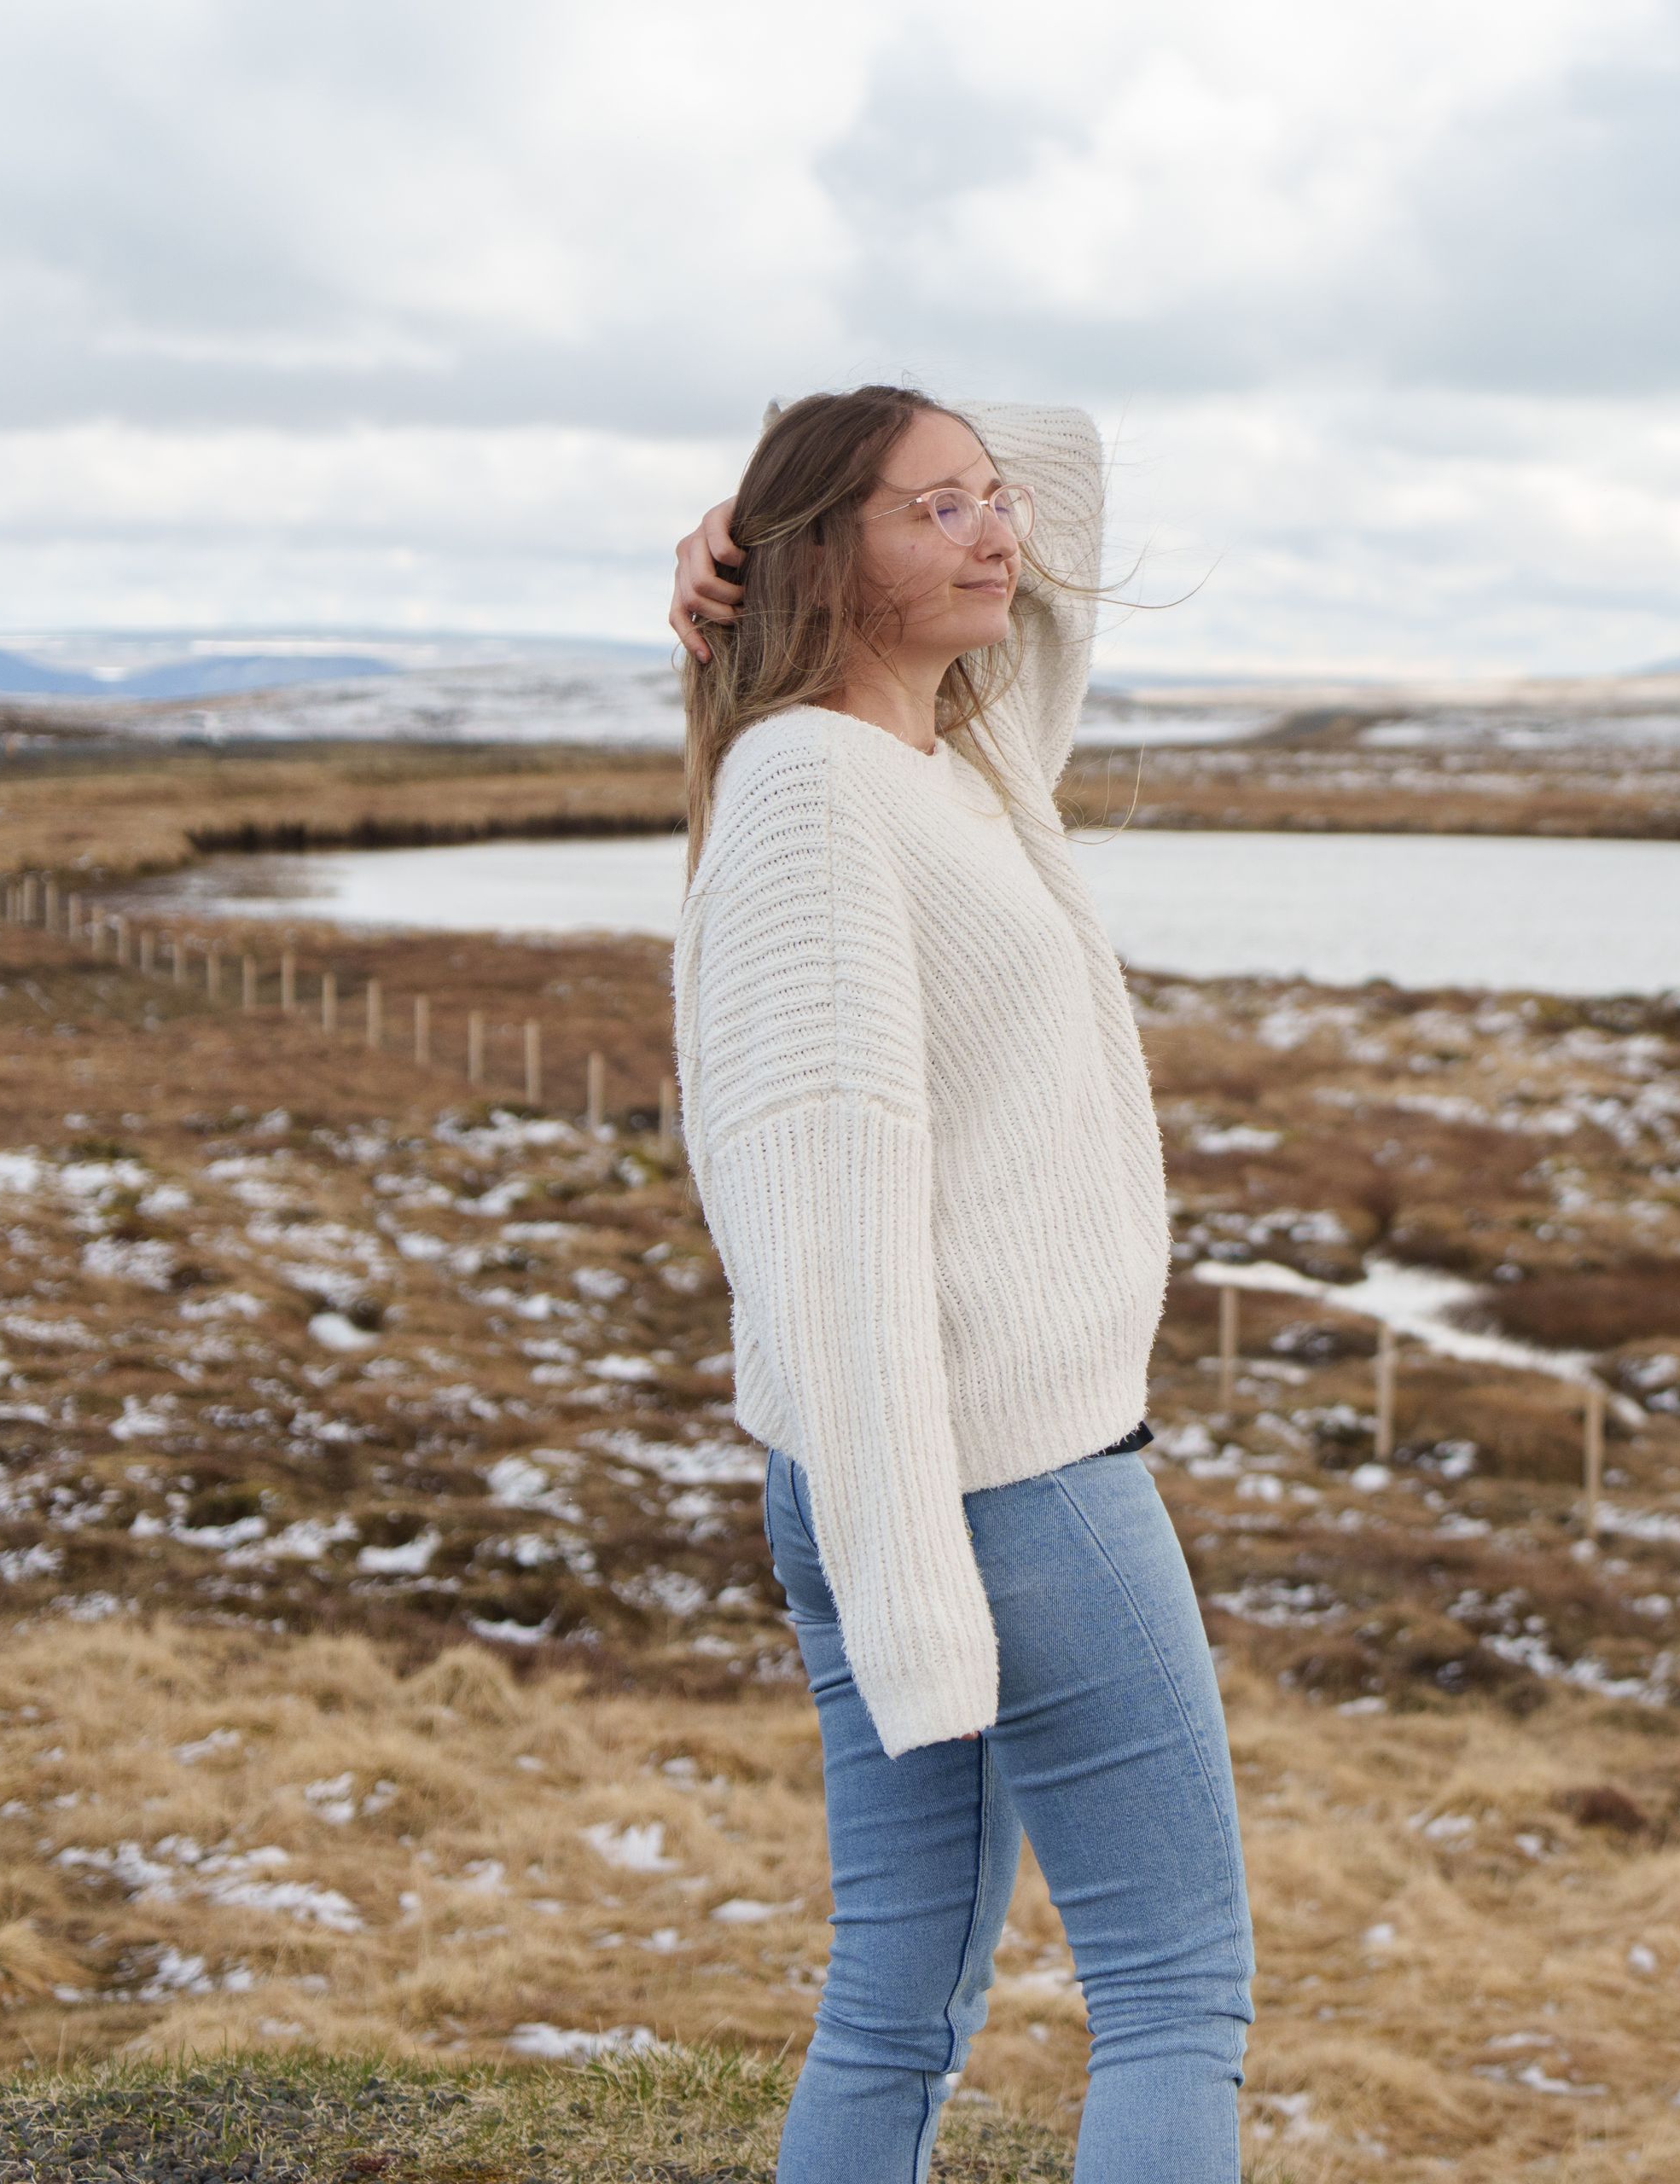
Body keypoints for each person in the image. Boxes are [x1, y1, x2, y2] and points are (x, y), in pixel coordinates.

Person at [666, 386, 1254, 2182]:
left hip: (933, 1473)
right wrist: (920, 1586)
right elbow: (824, 1188)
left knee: (897, 2004)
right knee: (1176, 1991)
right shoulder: (811, 792)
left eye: (983, 502)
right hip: (998, 1482)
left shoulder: (959, 753)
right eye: (936, 511)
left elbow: (1063, 447)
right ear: (834, 556)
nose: (997, 531)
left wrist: (744, 512)